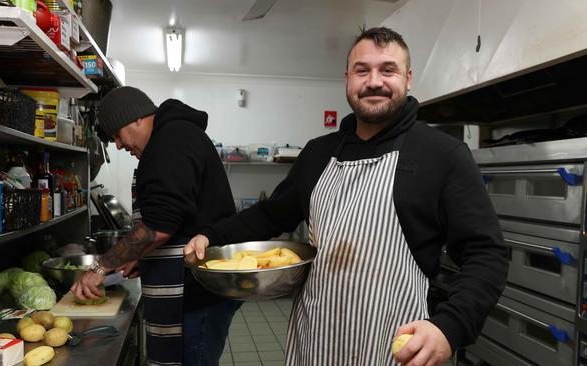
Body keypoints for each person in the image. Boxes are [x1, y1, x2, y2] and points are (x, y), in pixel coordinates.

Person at [184, 27, 508, 365]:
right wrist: (213, 235)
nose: (374, 81)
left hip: (397, 346)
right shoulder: (317, 153)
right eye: (362, 70)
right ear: (347, 78)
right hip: (317, 340)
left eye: (388, 69)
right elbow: (270, 215)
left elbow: (487, 254)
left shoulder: (442, 155)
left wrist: (449, 327)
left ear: (408, 78)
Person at [71, 86, 241, 366]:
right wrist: (143, 256)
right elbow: (176, 217)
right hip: (195, 288)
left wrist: (100, 267)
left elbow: (159, 226)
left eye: (117, 135)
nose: (119, 145)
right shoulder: (172, 138)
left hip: (195, 293)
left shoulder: (171, 141)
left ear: (137, 118)